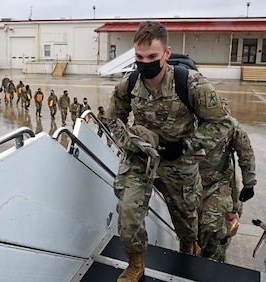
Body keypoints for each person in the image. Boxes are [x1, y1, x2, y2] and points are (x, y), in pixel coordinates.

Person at [105, 21, 227, 282]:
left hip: (179, 162)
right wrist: (130, 142)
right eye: (139, 57)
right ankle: (135, 264)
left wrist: (187, 147)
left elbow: (220, 123)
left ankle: (186, 253)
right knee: (127, 211)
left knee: (187, 225)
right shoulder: (130, 83)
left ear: (167, 54)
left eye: (152, 57)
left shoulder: (190, 84)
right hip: (142, 159)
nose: (145, 62)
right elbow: (113, 119)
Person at [198, 102, 256, 262]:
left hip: (219, 183)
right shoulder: (185, 123)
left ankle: (216, 256)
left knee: (215, 229)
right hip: (191, 184)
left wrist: (249, 183)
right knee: (195, 229)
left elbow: (246, 154)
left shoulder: (228, 125)